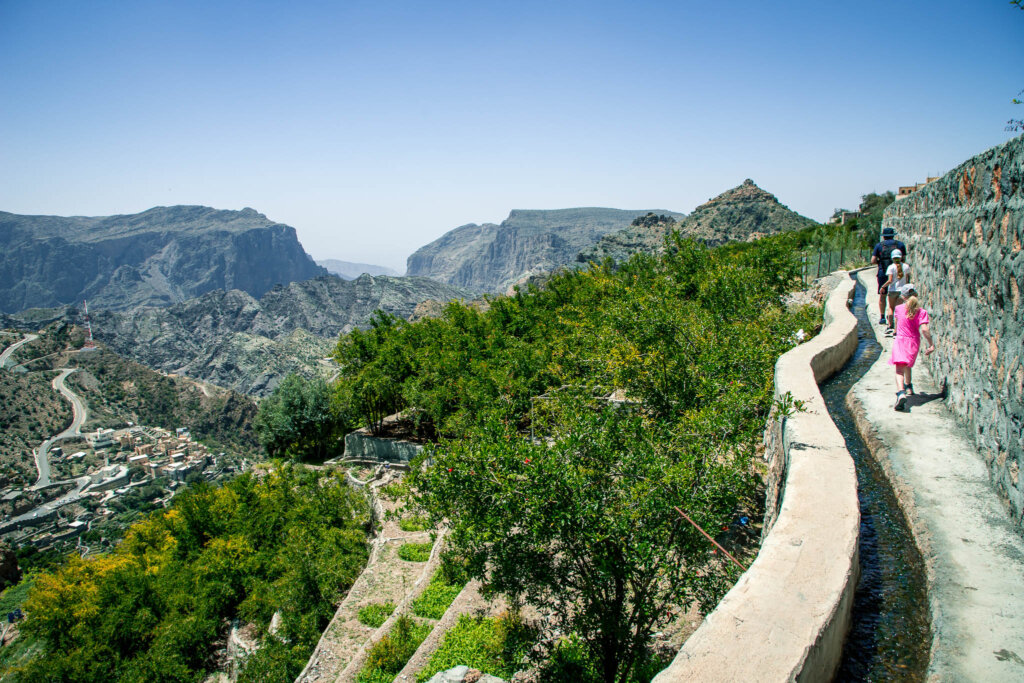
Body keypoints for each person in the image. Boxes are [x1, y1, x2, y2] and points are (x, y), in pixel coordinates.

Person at [889, 283, 935, 411]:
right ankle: (908, 386)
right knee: (907, 364)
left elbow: (896, 324)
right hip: (914, 342)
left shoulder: (898, 309)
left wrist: (895, 332)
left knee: (899, 369)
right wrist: (931, 344)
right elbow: (924, 329)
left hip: (901, 340)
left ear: (903, 297)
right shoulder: (922, 312)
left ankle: (901, 393)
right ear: (916, 295)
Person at [871, 227, 908, 326]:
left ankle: (883, 317)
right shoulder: (900, 245)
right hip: (898, 272)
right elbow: (903, 259)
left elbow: (873, 260)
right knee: (897, 295)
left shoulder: (879, 246)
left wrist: (880, 262)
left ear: (884, 237)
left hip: (883, 273)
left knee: (882, 295)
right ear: (893, 236)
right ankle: (896, 318)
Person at [881, 249, 910, 334]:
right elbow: (907, 280)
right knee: (898, 310)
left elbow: (890, 280)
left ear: (892, 258)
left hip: (892, 290)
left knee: (891, 308)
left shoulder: (891, 267)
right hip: (902, 291)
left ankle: (890, 326)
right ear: (901, 257)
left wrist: (883, 287)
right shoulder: (906, 267)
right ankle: (896, 330)